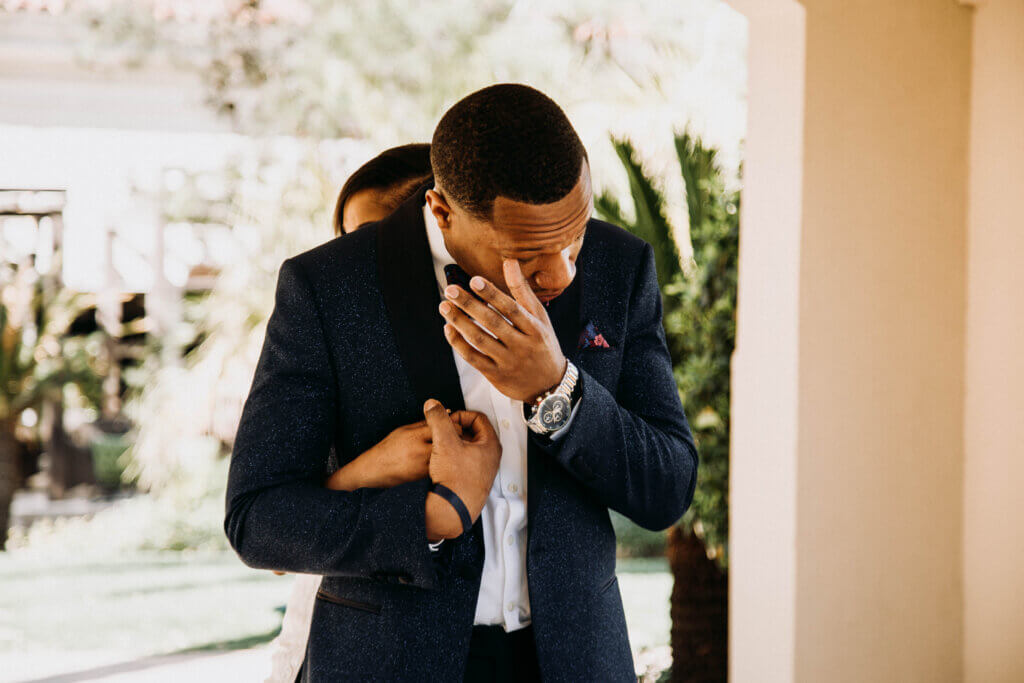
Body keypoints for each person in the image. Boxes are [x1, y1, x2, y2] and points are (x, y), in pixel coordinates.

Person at [226, 83, 699, 682]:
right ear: (443, 210)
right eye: (527, 254)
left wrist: (557, 391)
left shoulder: (620, 266)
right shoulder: (326, 288)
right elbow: (258, 519)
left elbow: (668, 489)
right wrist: (431, 516)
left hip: (576, 662)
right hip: (390, 664)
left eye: (573, 237)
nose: (561, 272)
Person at [264, 143, 436, 683]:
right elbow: (272, 540)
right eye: (346, 241)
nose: (350, 262)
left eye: (370, 238)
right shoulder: (325, 342)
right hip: (328, 626)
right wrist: (375, 467)